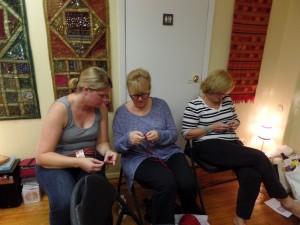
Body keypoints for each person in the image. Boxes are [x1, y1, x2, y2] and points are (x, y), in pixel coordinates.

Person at [181, 69, 300, 225]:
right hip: (206, 146)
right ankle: (286, 201)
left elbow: (234, 119)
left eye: (224, 93)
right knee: (259, 156)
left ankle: (240, 218)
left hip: (231, 143)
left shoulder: (227, 100)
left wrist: (236, 123)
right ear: (208, 88)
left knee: (252, 175)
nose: (221, 97)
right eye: (218, 93)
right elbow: (187, 134)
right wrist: (211, 128)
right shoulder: (194, 105)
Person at [113, 68, 202, 225]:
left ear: (150, 89)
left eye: (144, 94)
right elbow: (118, 147)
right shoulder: (121, 113)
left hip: (168, 152)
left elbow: (174, 134)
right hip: (138, 158)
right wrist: (128, 139)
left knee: (187, 182)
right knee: (167, 183)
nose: (140, 99)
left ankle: (192, 218)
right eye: (135, 95)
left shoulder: (161, 105)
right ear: (129, 91)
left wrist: (160, 136)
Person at [35, 66, 117, 225]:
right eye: (102, 95)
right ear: (86, 90)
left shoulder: (101, 109)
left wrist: (107, 151)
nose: (105, 100)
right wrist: (79, 162)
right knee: (65, 203)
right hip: (55, 164)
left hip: (85, 161)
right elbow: (42, 156)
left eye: (107, 96)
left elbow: (101, 142)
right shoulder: (60, 109)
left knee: (98, 199)